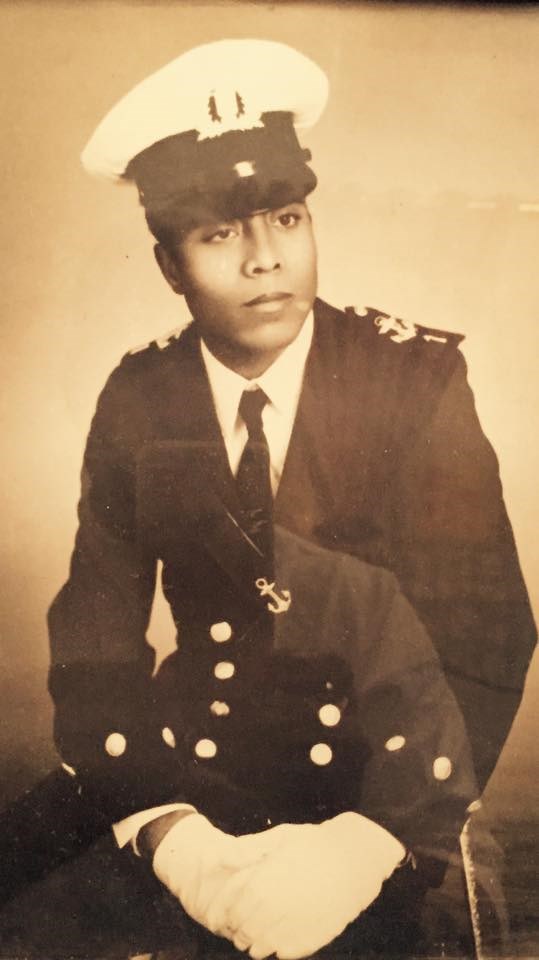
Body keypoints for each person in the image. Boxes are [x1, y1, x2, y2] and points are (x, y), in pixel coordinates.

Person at [0, 38, 535, 959]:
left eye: (286, 219)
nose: (264, 261)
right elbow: (95, 634)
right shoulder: (141, 395)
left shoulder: (411, 380)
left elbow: (485, 632)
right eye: (218, 235)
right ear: (169, 265)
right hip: (190, 772)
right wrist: (169, 832)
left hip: (388, 780)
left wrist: (366, 845)